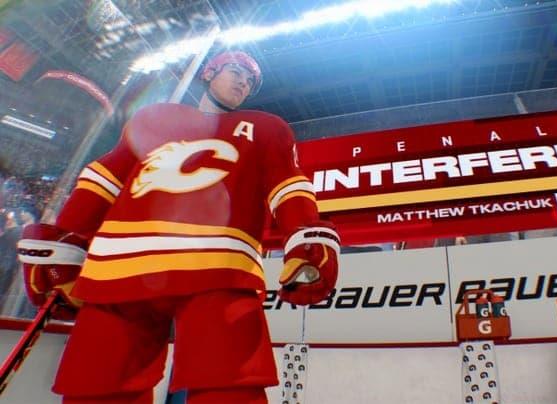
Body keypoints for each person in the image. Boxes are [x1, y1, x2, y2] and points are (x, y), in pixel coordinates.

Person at [16, 50, 340, 404]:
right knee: (97, 385)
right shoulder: (154, 118)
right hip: (120, 267)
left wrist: (306, 237)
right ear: (208, 73)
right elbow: (105, 178)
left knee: (229, 387)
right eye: (236, 71)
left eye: (250, 81)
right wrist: (66, 238)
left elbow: (288, 185)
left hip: (218, 268)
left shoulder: (266, 127)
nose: (243, 83)